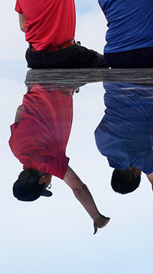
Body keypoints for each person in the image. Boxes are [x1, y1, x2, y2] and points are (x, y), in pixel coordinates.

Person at [9, 74, 110, 234]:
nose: (50, 181)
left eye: (47, 184)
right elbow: (21, 109)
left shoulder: (51, 164)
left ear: (41, 179)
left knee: (106, 69)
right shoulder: (15, 148)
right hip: (35, 80)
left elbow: (78, 188)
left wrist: (96, 216)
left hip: (61, 83)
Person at [95, 73, 153, 230]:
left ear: (136, 172)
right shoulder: (101, 144)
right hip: (112, 76)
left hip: (144, 75)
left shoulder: (140, 158)